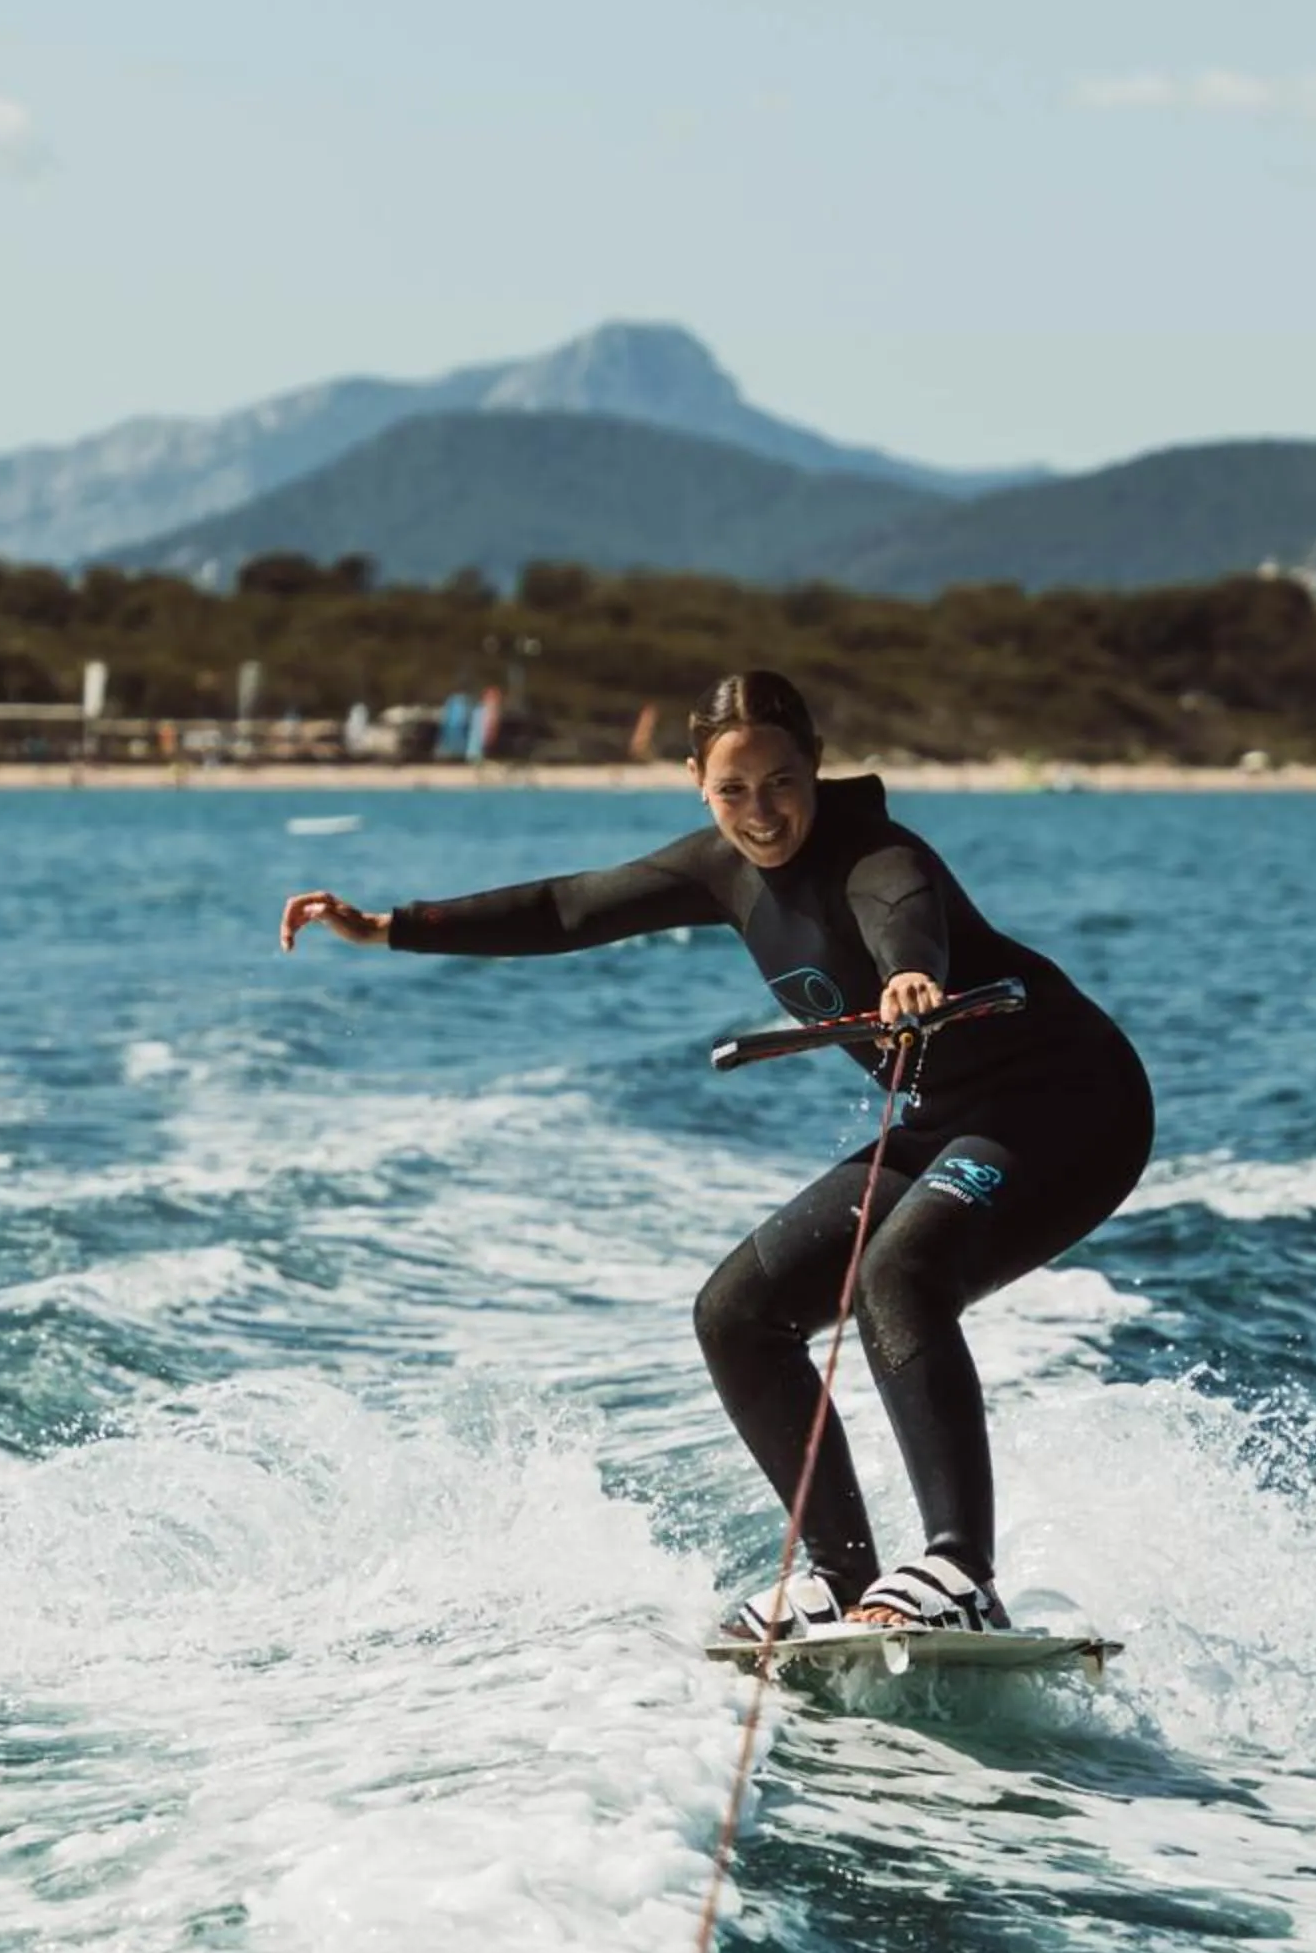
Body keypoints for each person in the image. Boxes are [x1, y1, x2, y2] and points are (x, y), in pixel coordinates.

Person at [279, 669, 1153, 1640]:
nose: (761, 814)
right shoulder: (716, 868)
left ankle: (957, 1570)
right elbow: (569, 909)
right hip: (947, 1114)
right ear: (697, 779)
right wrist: (389, 928)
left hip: (1071, 1106)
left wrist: (911, 972)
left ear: (814, 766)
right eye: (732, 791)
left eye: (780, 783)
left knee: (898, 1273)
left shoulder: (878, 852)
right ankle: (836, 1573)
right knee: (736, 1313)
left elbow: (898, 910)